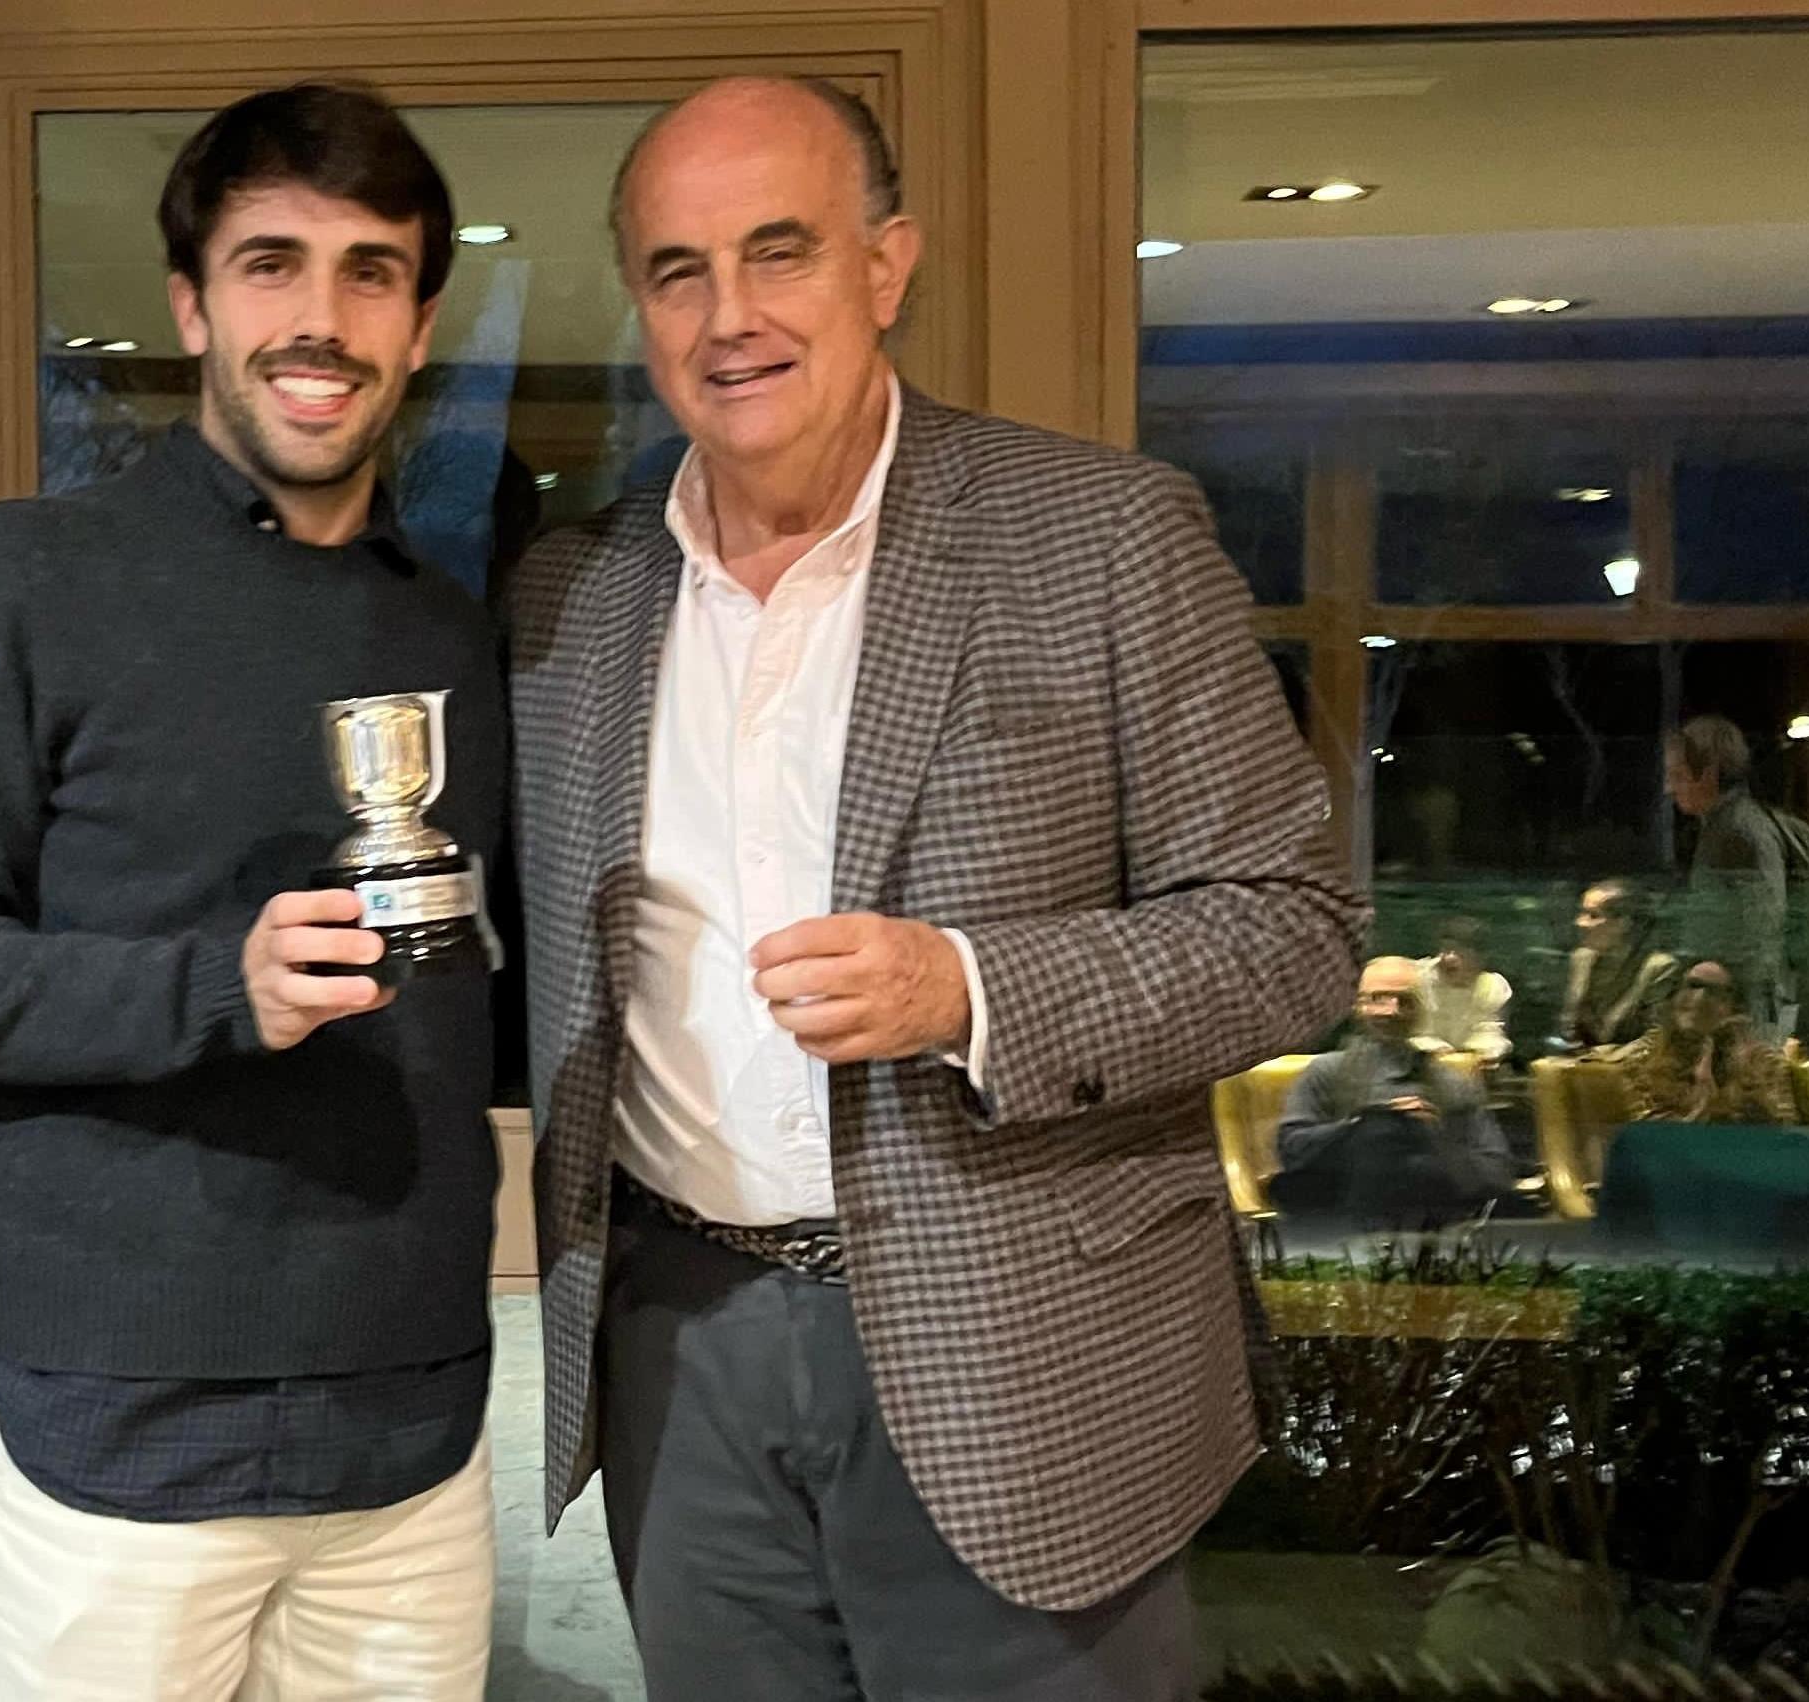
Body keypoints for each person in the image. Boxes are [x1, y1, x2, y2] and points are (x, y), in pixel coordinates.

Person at [502, 75, 1364, 1700]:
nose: (730, 314)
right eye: (677, 268)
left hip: (1021, 1357)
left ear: (883, 266)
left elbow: (1291, 925)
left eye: (780, 252)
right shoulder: (572, 591)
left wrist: (965, 989)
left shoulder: (1098, 535)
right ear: (637, 302)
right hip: (678, 1347)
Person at [0, 84, 505, 1700]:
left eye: (367, 271)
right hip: (118, 1445)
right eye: (269, 264)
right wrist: (219, 987)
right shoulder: (17, 582)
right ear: (192, 305)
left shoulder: (449, 633)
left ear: (416, 323)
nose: (316, 318)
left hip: (409, 1445)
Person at [1273, 957, 1516, 1224]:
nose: (1391, 1011)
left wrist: (1434, 1138)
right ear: (1358, 1005)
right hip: (1338, 1224)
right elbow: (1293, 1150)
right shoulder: (1326, 1072)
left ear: (1421, 1011)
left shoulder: (1451, 1083)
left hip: (1435, 1223)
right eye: (1378, 998)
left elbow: (1497, 1171)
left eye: (1405, 1001)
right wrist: (1363, 1124)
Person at [1667, 715, 1809, 1046]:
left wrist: (1726, 1002)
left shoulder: (1739, 831)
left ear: (1709, 773)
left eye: (1677, 775)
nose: (1669, 787)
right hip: (1737, 1008)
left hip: (1742, 1015)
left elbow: (1764, 922)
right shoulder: (1725, 826)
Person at [1613, 960, 1800, 1126]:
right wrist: (1703, 1108)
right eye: (1693, 986)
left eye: (1715, 993)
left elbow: (1782, 1136)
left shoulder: (1763, 1062)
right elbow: (1650, 1142)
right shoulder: (1643, 1058)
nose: (1699, 999)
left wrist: (1738, 1093)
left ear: (1734, 1007)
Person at [1554, 877, 1680, 1052]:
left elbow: (1656, 1038)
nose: (1580, 923)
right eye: (1581, 913)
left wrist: (1604, 1058)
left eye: (1593, 915)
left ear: (1624, 923)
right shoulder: (1581, 960)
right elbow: (1569, 1026)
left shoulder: (1658, 968)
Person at [1415, 915, 1512, 1066]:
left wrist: (1482, 1052)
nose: (1448, 958)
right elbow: (1407, 1031)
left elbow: (1489, 1030)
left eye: (1459, 952)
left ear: (1481, 957)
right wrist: (1433, 1048)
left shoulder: (1492, 987)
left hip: (1468, 1070)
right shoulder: (1416, 979)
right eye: (1445, 950)